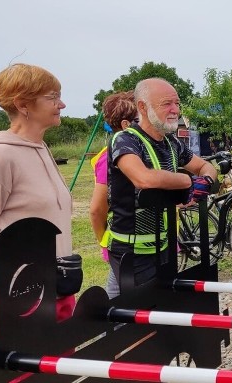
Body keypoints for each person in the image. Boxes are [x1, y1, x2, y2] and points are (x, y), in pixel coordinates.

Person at [0, 63, 74, 348]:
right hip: (14, 295)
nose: (62, 103)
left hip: (56, 286)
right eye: (52, 96)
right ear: (23, 104)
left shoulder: (42, 149)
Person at [106, 78, 217, 295]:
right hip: (132, 251)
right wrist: (189, 181)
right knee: (142, 318)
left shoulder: (171, 143)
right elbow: (143, 179)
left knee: (163, 310)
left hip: (164, 246)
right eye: (167, 103)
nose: (175, 110)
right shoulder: (125, 140)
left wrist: (206, 181)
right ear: (143, 107)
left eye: (177, 103)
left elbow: (204, 166)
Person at [90, 91, 137, 298]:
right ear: (127, 125)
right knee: (118, 300)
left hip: (148, 244)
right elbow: (97, 210)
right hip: (123, 247)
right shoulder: (109, 157)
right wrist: (105, 243)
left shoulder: (145, 150)